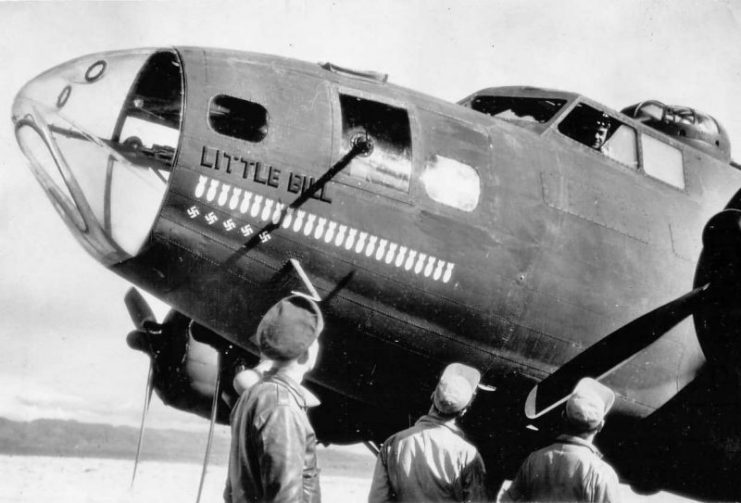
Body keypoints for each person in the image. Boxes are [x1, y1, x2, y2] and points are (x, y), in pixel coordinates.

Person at [224, 295, 324, 503]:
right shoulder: (282, 406)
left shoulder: (253, 395)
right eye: (315, 342)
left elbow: (230, 491)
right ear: (306, 354)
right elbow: (285, 495)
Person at [368, 363, 488, 503]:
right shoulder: (468, 455)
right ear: (464, 410)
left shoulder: (393, 443)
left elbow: (378, 499)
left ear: (432, 396)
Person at [502, 378, 620, 503]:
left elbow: (508, 500)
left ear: (563, 416)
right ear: (600, 426)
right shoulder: (602, 473)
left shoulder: (534, 459)